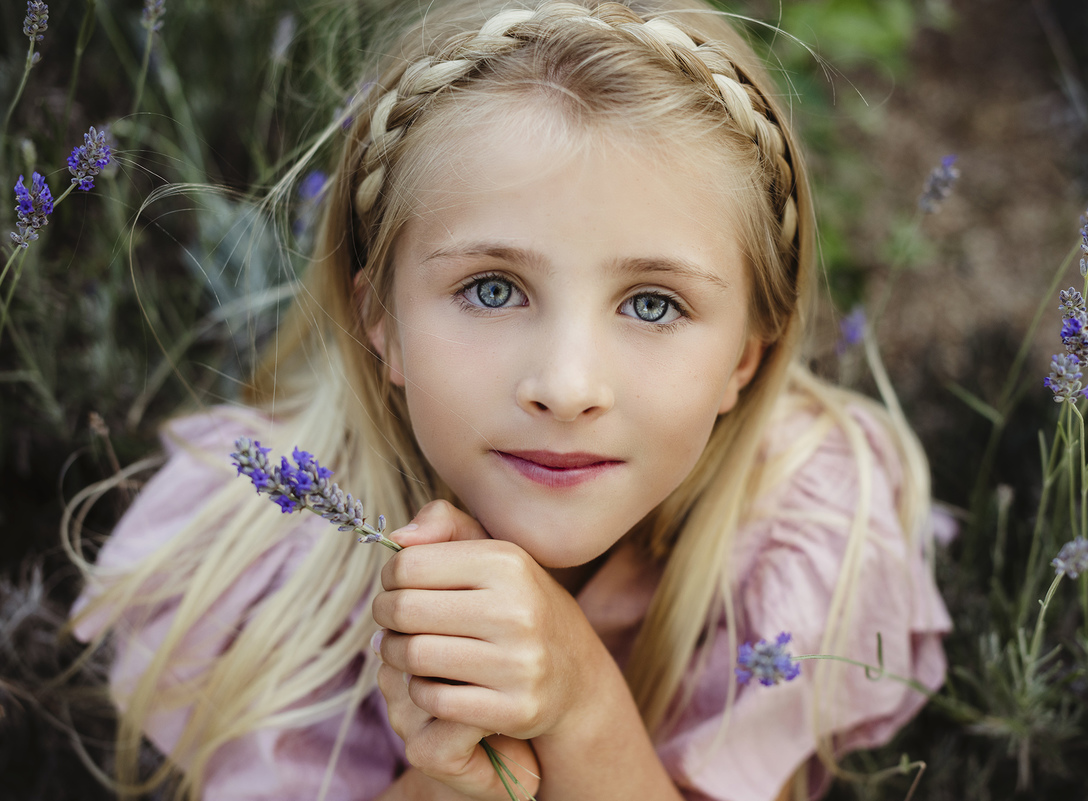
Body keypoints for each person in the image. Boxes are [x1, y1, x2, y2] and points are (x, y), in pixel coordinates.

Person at [68, 1, 951, 799]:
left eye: (653, 304)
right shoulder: (262, 557)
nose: (566, 388)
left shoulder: (806, 528)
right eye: (492, 289)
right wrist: (450, 781)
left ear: (745, 359)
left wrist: (585, 708)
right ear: (381, 318)